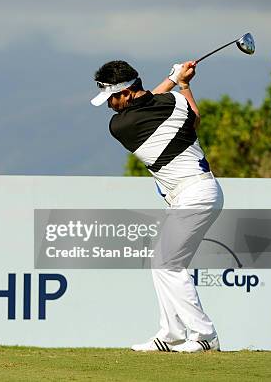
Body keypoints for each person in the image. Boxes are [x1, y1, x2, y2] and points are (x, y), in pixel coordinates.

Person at [91, 60, 223, 353]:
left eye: (111, 98)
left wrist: (173, 79)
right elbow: (193, 116)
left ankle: (205, 336)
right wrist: (181, 84)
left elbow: (145, 105)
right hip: (198, 191)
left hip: (194, 193)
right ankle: (172, 333)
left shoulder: (121, 125)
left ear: (125, 92)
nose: (109, 105)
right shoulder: (174, 101)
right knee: (161, 262)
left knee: (167, 263)